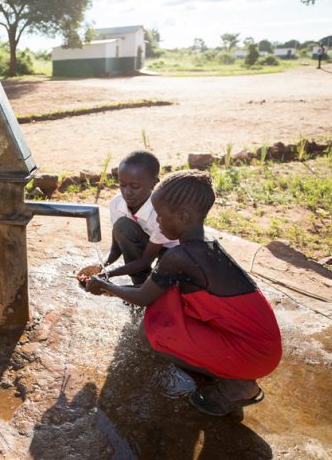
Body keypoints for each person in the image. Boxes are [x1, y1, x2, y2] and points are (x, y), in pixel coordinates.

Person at [82, 170, 282, 417]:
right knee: (163, 310)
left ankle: (238, 384)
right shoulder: (202, 248)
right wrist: (107, 287)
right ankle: (227, 371)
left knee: (153, 333)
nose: (156, 223)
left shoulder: (180, 257)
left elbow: (144, 298)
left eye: (161, 217)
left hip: (253, 354)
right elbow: (152, 293)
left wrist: (105, 286)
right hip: (260, 346)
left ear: (184, 216)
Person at [77, 150, 179, 286]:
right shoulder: (117, 204)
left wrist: (106, 275)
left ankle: (144, 293)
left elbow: (145, 261)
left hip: (174, 252)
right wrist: (100, 266)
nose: (127, 192)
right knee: (122, 226)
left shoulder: (160, 213)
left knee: (163, 284)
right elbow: (117, 248)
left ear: (154, 183)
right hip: (150, 244)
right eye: (122, 185)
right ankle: (139, 285)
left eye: (135, 186)